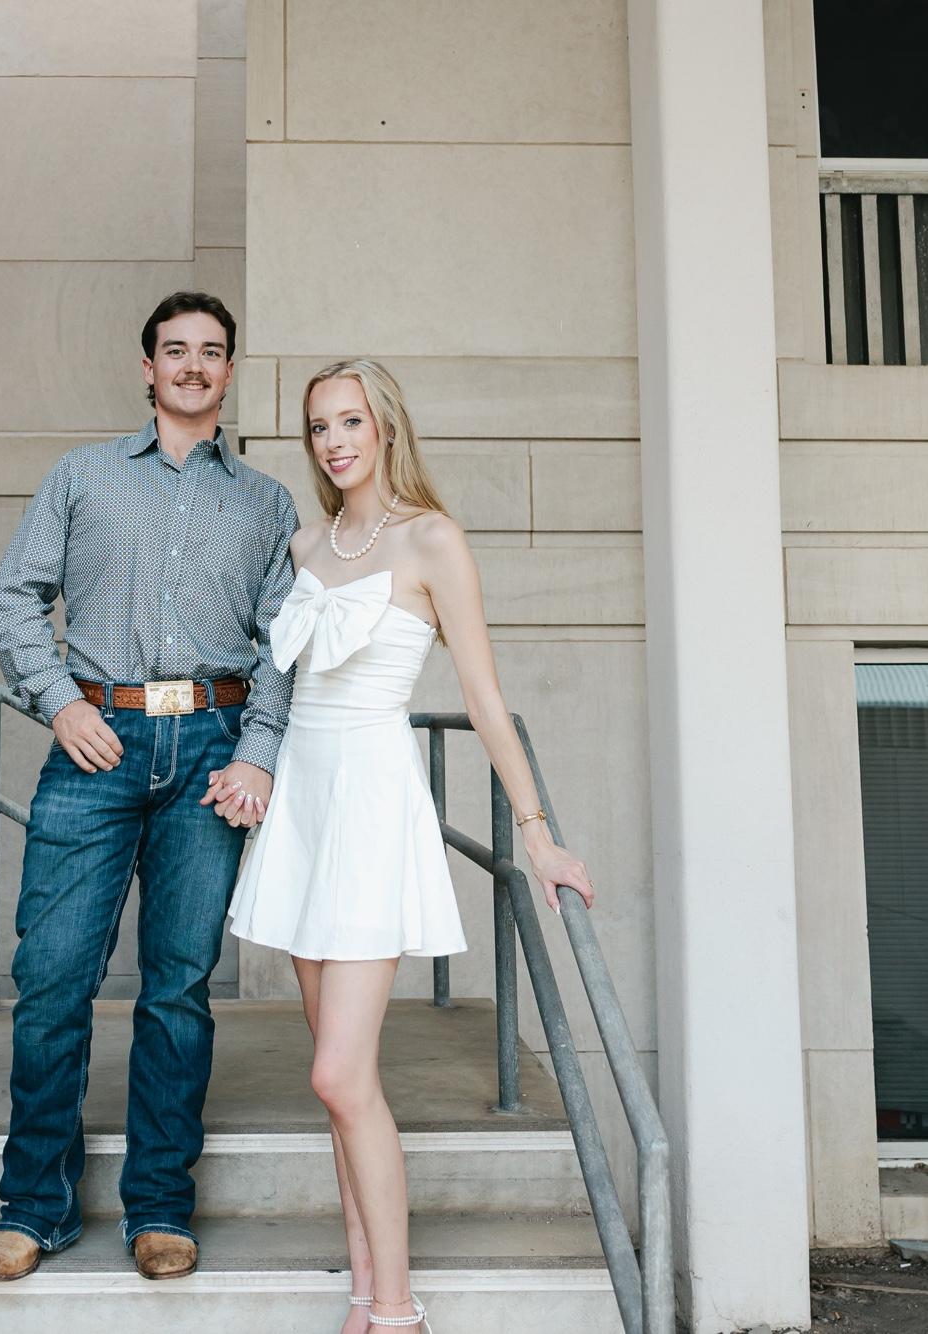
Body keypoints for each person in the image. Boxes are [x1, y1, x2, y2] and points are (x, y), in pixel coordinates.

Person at [228, 359, 596, 1334]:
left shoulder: (433, 538)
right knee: (338, 1083)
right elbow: (278, 683)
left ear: (385, 426)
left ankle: (397, 1310)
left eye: (350, 421)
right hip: (303, 804)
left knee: (337, 1074)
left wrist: (538, 837)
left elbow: (483, 698)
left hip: (369, 807)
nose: (334, 441)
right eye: (318, 426)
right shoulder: (305, 544)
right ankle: (363, 1296)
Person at [0, 292, 298, 1284]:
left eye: (211, 351)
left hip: (212, 753)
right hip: (96, 744)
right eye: (174, 349)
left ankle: (158, 1205)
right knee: (53, 976)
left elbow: (286, 644)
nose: (192, 364)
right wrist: (59, 702)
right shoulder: (83, 476)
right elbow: (14, 597)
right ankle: (32, 1208)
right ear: (147, 367)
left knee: (178, 989)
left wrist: (259, 751)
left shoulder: (267, 503)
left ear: (229, 370)